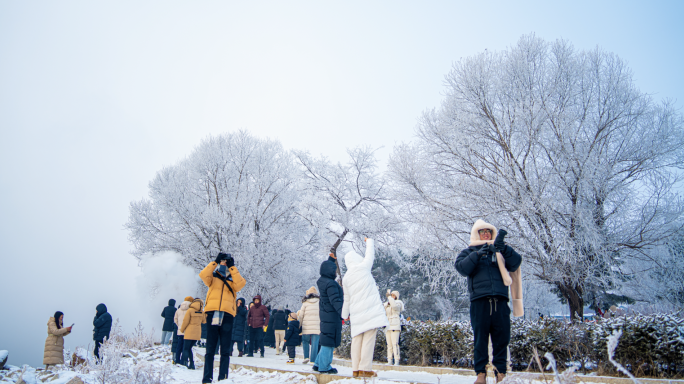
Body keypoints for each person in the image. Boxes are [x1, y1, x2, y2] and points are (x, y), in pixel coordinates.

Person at [455, 220, 523, 384]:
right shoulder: (469, 251)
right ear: (476, 233)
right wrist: (477, 254)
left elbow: (516, 263)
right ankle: (481, 374)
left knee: (502, 339)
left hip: (500, 300)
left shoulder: (500, 251)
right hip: (480, 302)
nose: (486, 234)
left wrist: (503, 248)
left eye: (488, 231)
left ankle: (500, 373)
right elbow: (461, 268)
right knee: (480, 339)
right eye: (482, 231)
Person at [341, 238, 389, 378]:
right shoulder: (363, 267)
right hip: (370, 311)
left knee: (356, 340)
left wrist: (344, 315)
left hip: (356, 314)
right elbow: (370, 255)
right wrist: (370, 241)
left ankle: (355, 369)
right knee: (368, 339)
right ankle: (365, 369)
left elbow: (347, 299)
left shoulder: (346, 278)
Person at [199, 252, 246, 384]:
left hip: (227, 314)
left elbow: (241, 285)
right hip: (212, 313)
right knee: (210, 348)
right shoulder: (212, 277)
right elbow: (203, 275)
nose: (224, 263)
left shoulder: (233, 279)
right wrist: (214, 262)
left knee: (225, 349)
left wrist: (233, 268)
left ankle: (223, 378)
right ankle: (207, 378)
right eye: (223, 261)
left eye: (227, 261)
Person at [313, 252, 344, 374]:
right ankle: (324, 367)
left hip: (326, 314)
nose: (335, 272)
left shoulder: (323, 280)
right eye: (334, 269)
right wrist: (344, 313)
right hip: (331, 316)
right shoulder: (331, 284)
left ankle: (317, 363)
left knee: (326, 338)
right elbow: (335, 300)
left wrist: (330, 260)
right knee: (329, 341)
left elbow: (327, 269)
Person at [298, 286, 320, 365]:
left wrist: (299, 325)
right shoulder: (320, 302)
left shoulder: (305, 303)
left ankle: (306, 357)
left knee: (305, 341)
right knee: (315, 343)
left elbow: (301, 315)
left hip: (306, 326)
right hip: (317, 326)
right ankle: (313, 360)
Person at [180, 298, 205, 369]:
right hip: (197, 333)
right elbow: (204, 321)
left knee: (186, 348)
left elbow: (185, 321)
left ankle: (185, 363)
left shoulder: (190, 310)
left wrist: (182, 330)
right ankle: (192, 364)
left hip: (189, 332)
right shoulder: (202, 312)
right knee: (189, 348)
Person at [384, 290, 404, 366]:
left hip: (395, 325)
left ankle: (396, 360)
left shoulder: (398, 303)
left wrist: (389, 297)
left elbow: (394, 306)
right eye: (391, 295)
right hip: (388, 325)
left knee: (395, 344)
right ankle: (389, 360)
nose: (391, 296)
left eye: (393, 295)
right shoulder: (387, 304)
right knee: (389, 345)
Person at [174, 297, 193, 364]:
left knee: (179, 346)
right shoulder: (191, 310)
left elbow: (175, 319)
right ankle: (183, 361)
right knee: (185, 347)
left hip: (180, 331)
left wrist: (179, 326)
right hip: (188, 331)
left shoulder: (178, 310)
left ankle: (177, 360)